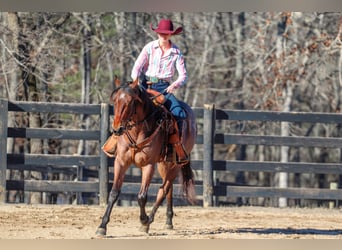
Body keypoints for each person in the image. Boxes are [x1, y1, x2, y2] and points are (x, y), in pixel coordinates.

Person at [131, 18, 189, 164]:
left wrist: (174, 85)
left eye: (167, 33)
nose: (164, 36)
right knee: (126, 105)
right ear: (157, 33)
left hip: (164, 87)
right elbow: (137, 67)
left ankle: (174, 148)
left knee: (178, 113)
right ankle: (117, 141)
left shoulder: (176, 52)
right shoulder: (149, 47)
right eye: (161, 33)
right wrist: (136, 81)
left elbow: (183, 75)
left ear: (171, 35)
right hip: (145, 85)